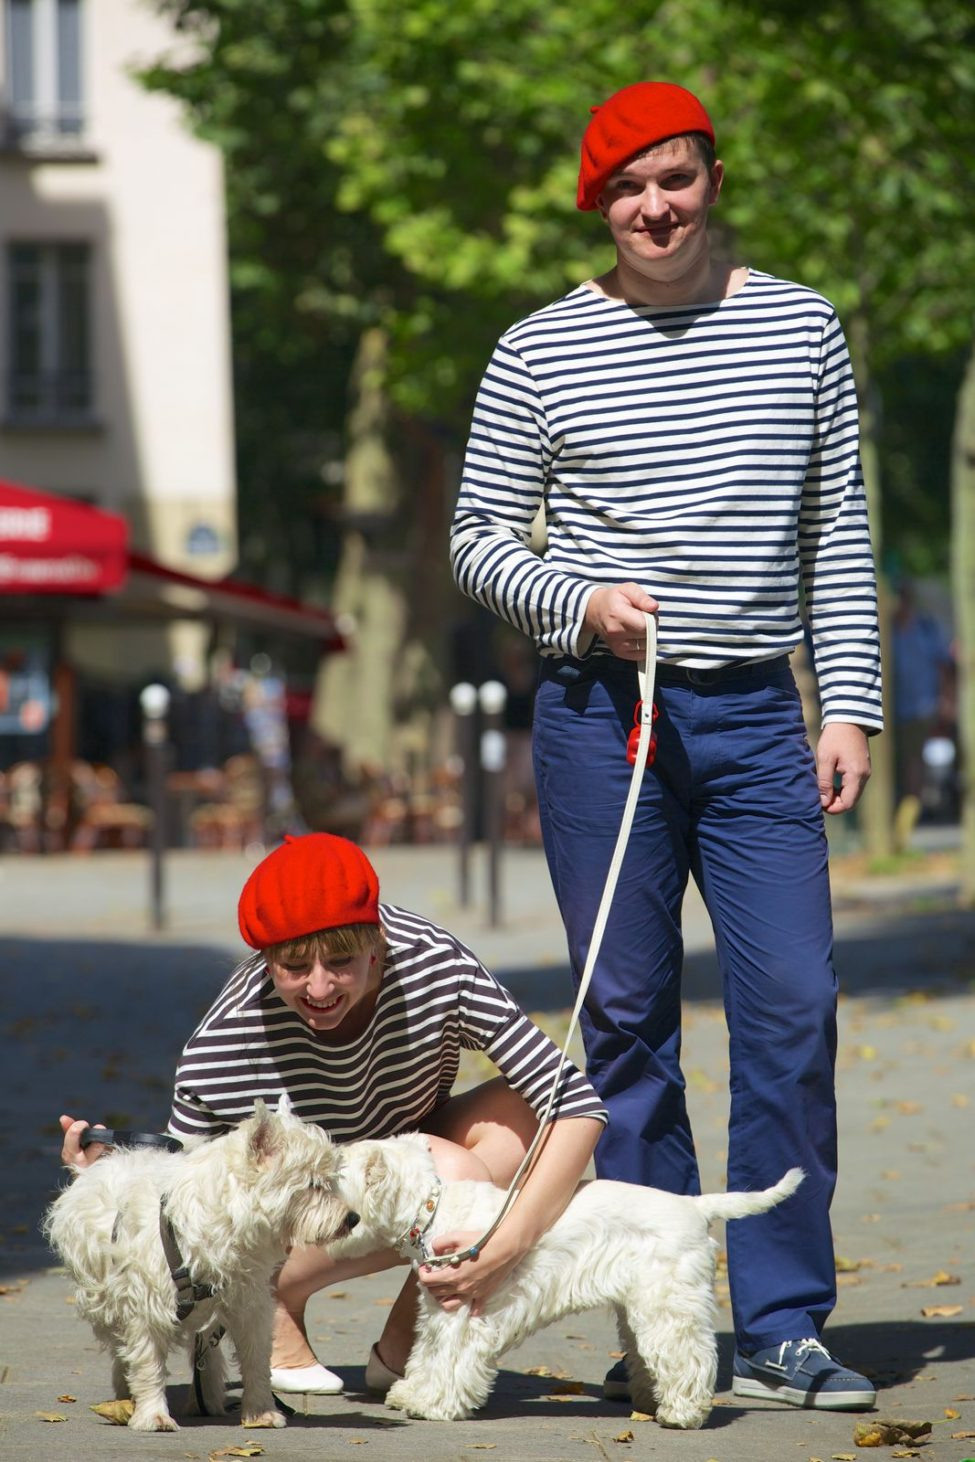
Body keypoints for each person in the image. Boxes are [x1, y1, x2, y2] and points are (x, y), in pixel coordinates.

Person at [449, 81, 883, 1411]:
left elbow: (837, 533)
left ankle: (781, 1316)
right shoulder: (535, 349)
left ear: (709, 179)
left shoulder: (799, 325)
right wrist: (576, 602)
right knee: (627, 1027)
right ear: (600, 203)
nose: (653, 206)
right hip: (600, 720)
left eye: (674, 179)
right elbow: (474, 540)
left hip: (756, 717)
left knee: (790, 1009)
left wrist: (849, 701)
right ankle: (659, 1316)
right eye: (627, 187)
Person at [60, 832, 604, 1396]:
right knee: (456, 1175)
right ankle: (270, 1304)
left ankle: (406, 1343)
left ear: (378, 944)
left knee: (526, 1114)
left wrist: (508, 1241)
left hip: (405, 1156)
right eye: (294, 967)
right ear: (266, 961)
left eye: (340, 961)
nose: (319, 986)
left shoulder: (434, 963)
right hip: (303, 1211)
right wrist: (107, 1169)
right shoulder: (225, 1040)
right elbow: (179, 1197)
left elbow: (574, 1100)